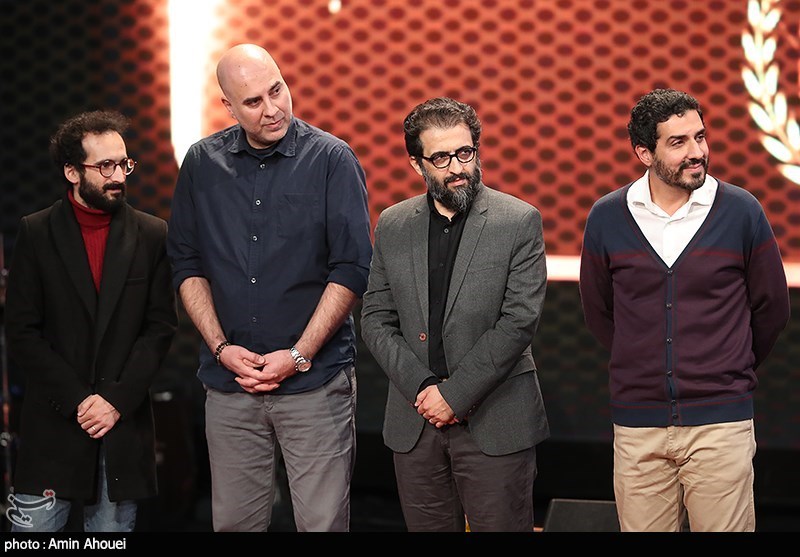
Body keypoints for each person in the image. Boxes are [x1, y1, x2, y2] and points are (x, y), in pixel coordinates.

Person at [166, 43, 372, 532]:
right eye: (253, 101)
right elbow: (187, 263)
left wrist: (298, 355)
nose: (272, 108)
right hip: (230, 384)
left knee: (322, 525)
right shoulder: (201, 163)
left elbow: (351, 268)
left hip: (314, 382)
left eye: (276, 90)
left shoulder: (332, 159)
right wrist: (221, 348)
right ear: (228, 107)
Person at [579, 88, 791, 532]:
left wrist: (727, 366)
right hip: (638, 428)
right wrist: (643, 361)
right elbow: (600, 312)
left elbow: (772, 308)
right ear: (644, 153)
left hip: (721, 424)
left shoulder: (741, 211)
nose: (697, 152)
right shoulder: (607, 217)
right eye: (678, 142)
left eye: (700, 137)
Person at [360, 97, 550, 532]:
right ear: (417, 164)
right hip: (416, 419)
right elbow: (375, 317)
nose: (458, 167)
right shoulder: (393, 223)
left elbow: (518, 321)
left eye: (465, 153)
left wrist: (455, 395)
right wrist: (423, 388)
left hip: (495, 418)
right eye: (441, 158)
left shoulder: (518, 221)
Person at [4, 110, 178, 532]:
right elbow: (22, 332)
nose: (118, 176)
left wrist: (114, 401)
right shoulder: (36, 232)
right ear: (72, 172)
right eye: (105, 166)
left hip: (121, 429)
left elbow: (159, 329)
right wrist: (80, 401)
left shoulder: (152, 234)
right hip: (54, 426)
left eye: (123, 164)